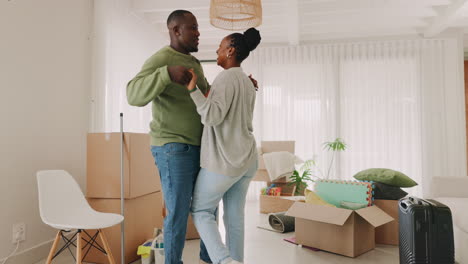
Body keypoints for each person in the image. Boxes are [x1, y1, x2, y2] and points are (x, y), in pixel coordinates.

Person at [126, 10, 213, 264]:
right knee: (177, 212)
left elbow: (207, 100)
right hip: (173, 147)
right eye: (193, 28)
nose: (198, 33)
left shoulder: (195, 63)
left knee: (208, 208)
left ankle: (209, 259)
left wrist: (237, 87)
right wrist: (166, 74)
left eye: (198, 28)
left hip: (201, 147)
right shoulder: (162, 59)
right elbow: (133, 94)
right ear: (176, 30)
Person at [186, 28, 262, 264]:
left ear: (230, 51)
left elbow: (212, 116)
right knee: (235, 218)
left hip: (224, 161)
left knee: (201, 211)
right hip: (247, 159)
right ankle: (237, 259)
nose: (217, 51)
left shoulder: (226, 78)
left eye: (220, 47)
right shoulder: (248, 83)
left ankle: (223, 260)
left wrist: (193, 90)